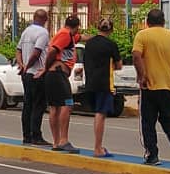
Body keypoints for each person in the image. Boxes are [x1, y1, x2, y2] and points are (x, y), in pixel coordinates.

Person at [132, 8, 170, 165]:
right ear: (163, 21)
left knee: (147, 122)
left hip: (150, 86)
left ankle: (152, 155)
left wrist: (142, 76)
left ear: (147, 22)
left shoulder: (142, 35)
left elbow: (136, 56)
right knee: (169, 119)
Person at [82, 17, 122, 158]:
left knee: (97, 113)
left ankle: (98, 146)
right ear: (111, 29)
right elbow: (119, 65)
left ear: (97, 28)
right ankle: (97, 148)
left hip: (90, 83)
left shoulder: (89, 44)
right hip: (104, 83)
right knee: (101, 114)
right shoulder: (111, 45)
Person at [42, 15, 83, 153]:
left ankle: (56, 142)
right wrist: (46, 67)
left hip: (55, 75)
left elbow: (82, 38)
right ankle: (63, 140)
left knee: (55, 107)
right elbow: (53, 50)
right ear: (77, 27)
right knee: (67, 104)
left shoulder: (69, 36)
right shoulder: (65, 35)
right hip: (57, 74)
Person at [15, 9, 50, 146]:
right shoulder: (43, 33)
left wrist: (21, 64)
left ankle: (26, 135)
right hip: (37, 73)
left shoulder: (26, 31)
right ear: (44, 19)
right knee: (38, 105)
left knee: (27, 105)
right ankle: (36, 135)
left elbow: (18, 50)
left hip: (26, 74)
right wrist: (27, 65)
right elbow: (36, 53)